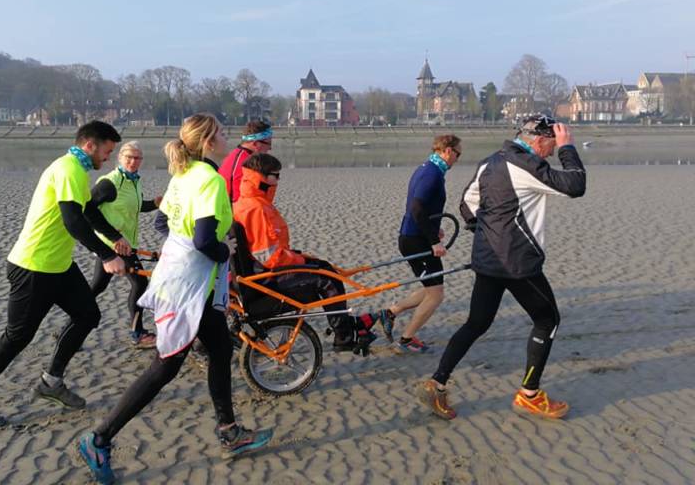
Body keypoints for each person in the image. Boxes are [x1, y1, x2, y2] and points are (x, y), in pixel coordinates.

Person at [78, 114, 272, 485]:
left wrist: (199, 245)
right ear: (209, 140)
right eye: (221, 131)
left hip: (180, 274)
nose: (227, 135)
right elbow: (203, 240)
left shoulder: (182, 175)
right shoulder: (209, 180)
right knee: (165, 367)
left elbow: (165, 223)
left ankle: (230, 431)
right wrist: (225, 251)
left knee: (219, 348)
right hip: (189, 282)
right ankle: (98, 439)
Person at [0, 121, 128, 429]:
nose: (108, 159)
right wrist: (106, 255)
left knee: (88, 315)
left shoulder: (76, 170)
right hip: (33, 266)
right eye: (108, 152)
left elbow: (88, 212)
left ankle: (51, 381)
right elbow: (73, 220)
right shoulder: (69, 169)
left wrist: (114, 238)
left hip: (58, 265)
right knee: (17, 337)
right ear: (90, 145)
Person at [418, 115, 586, 420]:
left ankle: (437, 383)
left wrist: (486, 232)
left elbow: (467, 205)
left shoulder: (490, 162)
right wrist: (568, 148)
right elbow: (575, 185)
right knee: (548, 320)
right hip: (517, 265)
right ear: (538, 140)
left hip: (488, 260)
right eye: (551, 142)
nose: (550, 150)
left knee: (476, 323)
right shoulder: (528, 165)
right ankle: (529, 395)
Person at [232, 153, 379, 353]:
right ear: (262, 178)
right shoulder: (257, 209)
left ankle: (345, 326)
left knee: (325, 268)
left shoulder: (246, 202)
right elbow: (268, 256)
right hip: (266, 279)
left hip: (262, 271)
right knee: (326, 279)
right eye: (276, 176)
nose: (278, 181)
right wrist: (300, 259)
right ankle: (344, 335)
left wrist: (303, 258)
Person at [378, 134, 462, 354]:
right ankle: (406, 339)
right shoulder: (431, 173)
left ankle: (390, 313)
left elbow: (423, 210)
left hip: (415, 237)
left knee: (430, 289)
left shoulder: (427, 168)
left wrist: (434, 229)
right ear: (447, 151)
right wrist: (434, 241)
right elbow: (416, 208)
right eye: (458, 154)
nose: (458, 159)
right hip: (415, 241)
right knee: (436, 295)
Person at [90, 141, 163, 349]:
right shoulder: (110, 182)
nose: (133, 161)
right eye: (129, 157)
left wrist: (154, 204)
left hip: (124, 244)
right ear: (119, 158)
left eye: (137, 158)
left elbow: (133, 207)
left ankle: (69, 324)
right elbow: (87, 211)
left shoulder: (133, 181)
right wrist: (113, 237)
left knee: (97, 287)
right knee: (139, 284)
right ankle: (138, 333)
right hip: (114, 245)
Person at [219, 119, 273, 202]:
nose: (270, 148)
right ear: (255, 144)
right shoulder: (244, 162)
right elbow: (235, 196)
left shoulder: (239, 155)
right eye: (269, 143)